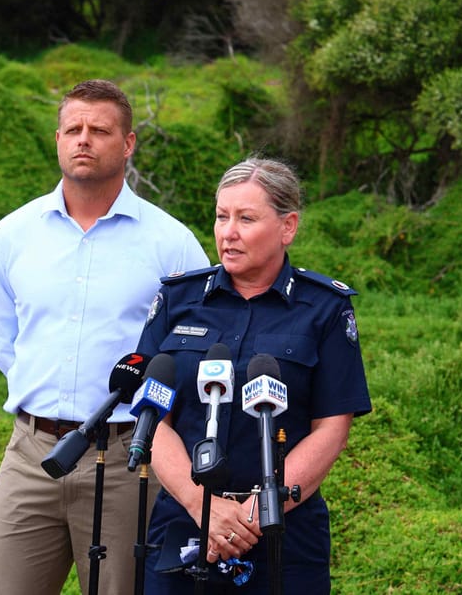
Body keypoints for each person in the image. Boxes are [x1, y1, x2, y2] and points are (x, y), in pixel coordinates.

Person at [0, 79, 211, 595]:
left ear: (128, 144)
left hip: (129, 458)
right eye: (73, 129)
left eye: (100, 130)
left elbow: (192, 355)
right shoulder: (13, 235)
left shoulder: (170, 244)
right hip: (31, 454)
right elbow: (4, 341)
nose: (83, 139)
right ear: (58, 138)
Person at [136, 156, 372, 594]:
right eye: (222, 216)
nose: (228, 232)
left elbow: (332, 430)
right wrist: (201, 506)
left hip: (284, 527)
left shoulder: (325, 308)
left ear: (288, 227)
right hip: (184, 523)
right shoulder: (177, 299)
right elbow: (152, 420)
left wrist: (248, 515)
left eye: (246, 218)